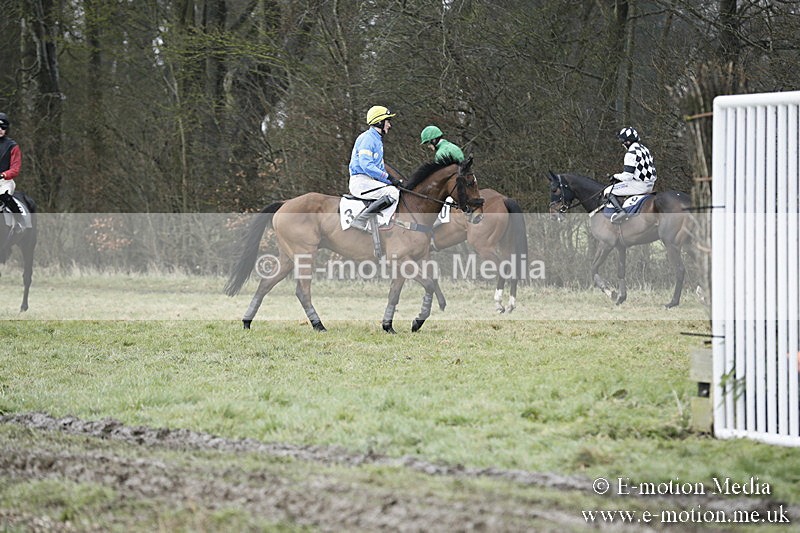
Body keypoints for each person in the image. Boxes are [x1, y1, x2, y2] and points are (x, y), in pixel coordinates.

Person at [348, 105, 402, 231]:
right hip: (361, 182)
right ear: (379, 122)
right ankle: (362, 219)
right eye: (387, 121)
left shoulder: (376, 140)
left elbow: (380, 169)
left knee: (394, 189)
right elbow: (366, 165)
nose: (389, 125)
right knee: (393, 193)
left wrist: (394, 182)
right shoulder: (368, 138)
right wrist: (388, 178)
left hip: (368, 181)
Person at [604, 127, 657, 223]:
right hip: (651, 184)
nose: (622, 143)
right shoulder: (645, 149)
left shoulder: (630, 154)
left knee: (608, 191)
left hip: (639, 185)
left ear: (627, 142)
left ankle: (621, 212)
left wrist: (615, 176)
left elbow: (628, 176)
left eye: (623, 141)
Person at [0, 112, 23, 232]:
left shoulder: (12, 146)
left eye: (3, 127)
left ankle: (19, 222)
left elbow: (15, 168)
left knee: (5, 197)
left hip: (5, 181)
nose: (0, 129)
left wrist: (4, 174)